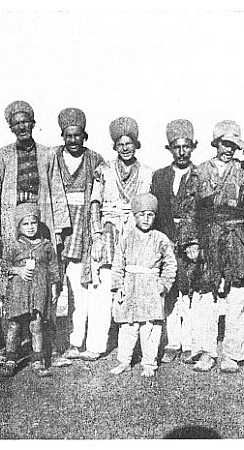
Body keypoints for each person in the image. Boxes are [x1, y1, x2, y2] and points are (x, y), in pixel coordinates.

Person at [0, 100, 70, 365]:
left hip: (39, 223)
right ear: (11, 127)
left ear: (33, 124)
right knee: (12, 288)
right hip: (12, 226)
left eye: (26, 122)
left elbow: (57, 190)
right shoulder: (2, 156)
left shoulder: (47, 154)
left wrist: (59, 229)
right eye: (17, 124)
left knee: (43, 286)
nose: (22, 127)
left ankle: (43, 348)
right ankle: (11, 347)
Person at [180, 120, 244, 373]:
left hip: (238, 235)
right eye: (225, 143)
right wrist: (190, 241)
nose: (229, 149)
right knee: (204, 294)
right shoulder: (199, 172)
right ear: (215, 143)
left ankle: (233, 354)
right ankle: (205, 351)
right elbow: (188, 210)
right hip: (208, 235)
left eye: (233, 144)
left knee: (239, 294)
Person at [87, 116, 155, 361]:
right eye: (120, 144)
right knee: (103, 287)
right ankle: (96, 344)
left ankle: (134, 347)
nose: (125, 148)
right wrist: (97, 236)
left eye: (129, 143)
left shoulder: (147, 173)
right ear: (114, 146)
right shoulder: (104, 170)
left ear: (136, 145)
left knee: (134, 285)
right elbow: (95, 204)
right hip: (108, 231)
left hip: (135, 233)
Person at [51, 108, 106, 361]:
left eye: (78, 135)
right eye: (68, 135)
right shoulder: (52, 157)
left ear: (85, 136)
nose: (73, 140)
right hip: (57, 229)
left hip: (82, 231)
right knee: (51, 288)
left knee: (79, 291)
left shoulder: (95, 159)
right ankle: (49, 343)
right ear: (62, 136)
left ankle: (75, 342)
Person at [109, 193, 177, 377]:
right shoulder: (126, 237)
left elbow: (170, 265)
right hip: (130, 286)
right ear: (135, 216)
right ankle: (124, 361)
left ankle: (149, 362)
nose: (146, 219)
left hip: (151, 287)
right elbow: (118, 264)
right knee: (127, 326)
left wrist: (163, 285)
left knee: (151, 327)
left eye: (150, 215)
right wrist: (118, 286)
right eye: (142, 214)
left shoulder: (160, 238)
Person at [151, 119, 198, 364]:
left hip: (191, 244)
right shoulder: (159, 177)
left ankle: (189, 343)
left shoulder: (200, 175)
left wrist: (194, 241)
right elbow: (155, 211)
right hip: (166, 242)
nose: (181, 152)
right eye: (176, 147)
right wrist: (163, 241)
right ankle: (172, 342)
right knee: (169, 293)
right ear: (169, 148)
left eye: (186, 147)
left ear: (193, 147)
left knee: (188, 293)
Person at [1, 203, 61, 378]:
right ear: (19, 226)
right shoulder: (14, 245)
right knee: (15, 325)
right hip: (19, 291)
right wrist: (17, 270)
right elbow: (3, 266)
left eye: (33, 223)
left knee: (36, 325)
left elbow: (53, 267)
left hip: (40, 290)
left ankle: (37, 360)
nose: (30, 227)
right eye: (25, 224)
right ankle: (10, 358)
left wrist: (54, 287)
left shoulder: (46, 246)